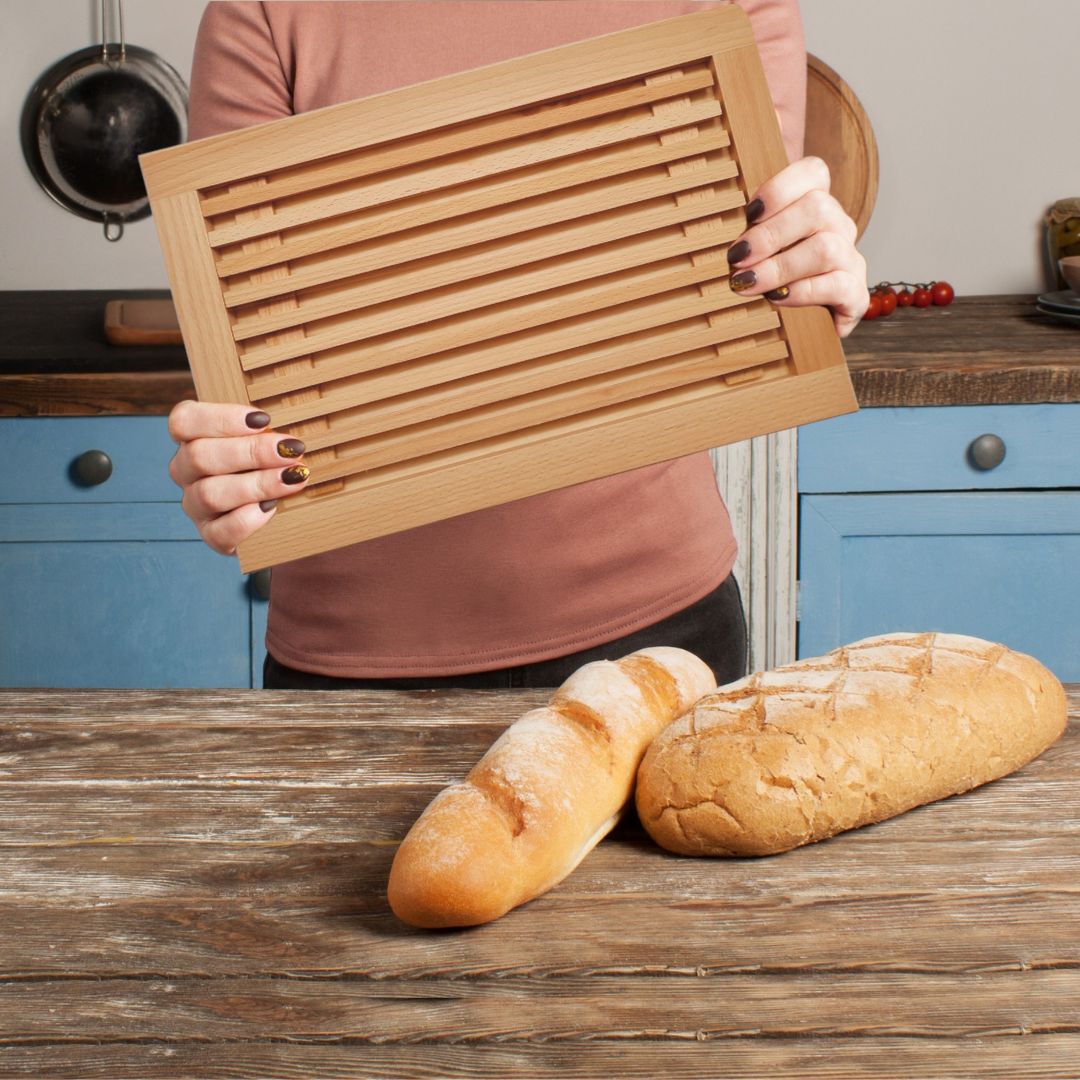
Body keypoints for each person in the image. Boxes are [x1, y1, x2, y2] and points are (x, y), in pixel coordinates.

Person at [168, 0, 868, 691]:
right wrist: (236, 472)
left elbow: (741, 291)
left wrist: (807, 283)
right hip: (357, 654)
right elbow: (257, 345)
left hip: (660, 633)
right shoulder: (263, 11)